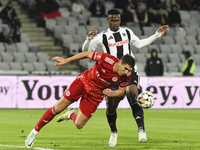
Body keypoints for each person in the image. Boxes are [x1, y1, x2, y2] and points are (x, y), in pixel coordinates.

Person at [82, 8, 168, 147]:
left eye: (117, 20)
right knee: (111, 106)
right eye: (113, 20)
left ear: (120, 20)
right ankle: (114, 132)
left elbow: (139, 44)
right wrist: (88, 39)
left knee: (132, 93)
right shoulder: (102, 36)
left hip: (129, 71)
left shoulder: (127, 32)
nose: (115, 22)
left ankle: (141, 131)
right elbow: (85, 52)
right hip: (111, 75)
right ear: (108, 20)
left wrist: (156, 35)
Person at [25, 51, 135, 148]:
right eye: (125, 68)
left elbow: (121, 91)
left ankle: (70, 114)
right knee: (58, 108)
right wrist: (66, 60)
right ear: (120, 62)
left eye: (129, 70)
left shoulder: (126, 76)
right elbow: (87, 54)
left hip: (96, 95)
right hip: (83, 82)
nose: (126, 72)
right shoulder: (106, 59)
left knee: (79, 125)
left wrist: (112, 93)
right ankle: (34, 132)